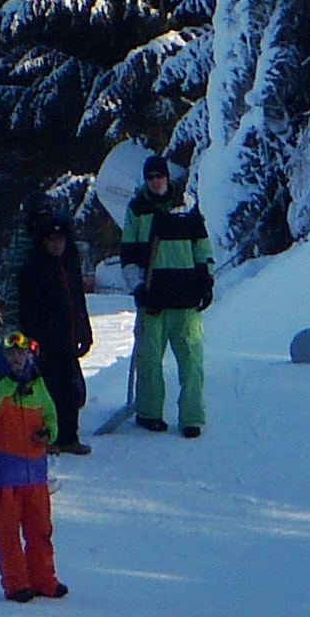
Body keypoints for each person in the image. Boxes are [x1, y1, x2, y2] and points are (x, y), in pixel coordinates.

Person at [119, 153, 212, 437]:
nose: (156, 181)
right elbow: (129, 254)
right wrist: (137, 287)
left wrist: (206, 280)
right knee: (148, 361)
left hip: (186, 299)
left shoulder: (186, 207)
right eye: (151, 177)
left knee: (192, 362)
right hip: (154, 300)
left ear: (167, 178)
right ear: (146, 180)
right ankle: (149, 413)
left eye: (160, 176)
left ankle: (192, 418)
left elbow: (202, 246)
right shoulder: (137, 209)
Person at [14, 201, 93, 456]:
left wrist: (85, 331)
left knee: (71, 392)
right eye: (51, 240)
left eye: (59, 239)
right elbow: (28, 313)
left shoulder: (69, 265)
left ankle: (69, 437)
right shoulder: (33, 269)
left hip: (68, 340)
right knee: (48, 393)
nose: (56, 244)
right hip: (45, 344)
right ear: (43, 242)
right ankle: (49, 439)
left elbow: (79, 301)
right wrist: (34, 344)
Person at [0, 332, 65, 603]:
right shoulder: (0, 384)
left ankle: (44, 579)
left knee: (40, 530)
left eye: (21, 354)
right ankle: (16, 584)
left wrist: (49, 432)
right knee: (7, 533)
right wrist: (8, 385)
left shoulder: (37, 384)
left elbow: (50, 414)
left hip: (35, 476)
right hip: (4, 479)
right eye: (11, 355)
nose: (16, 359)